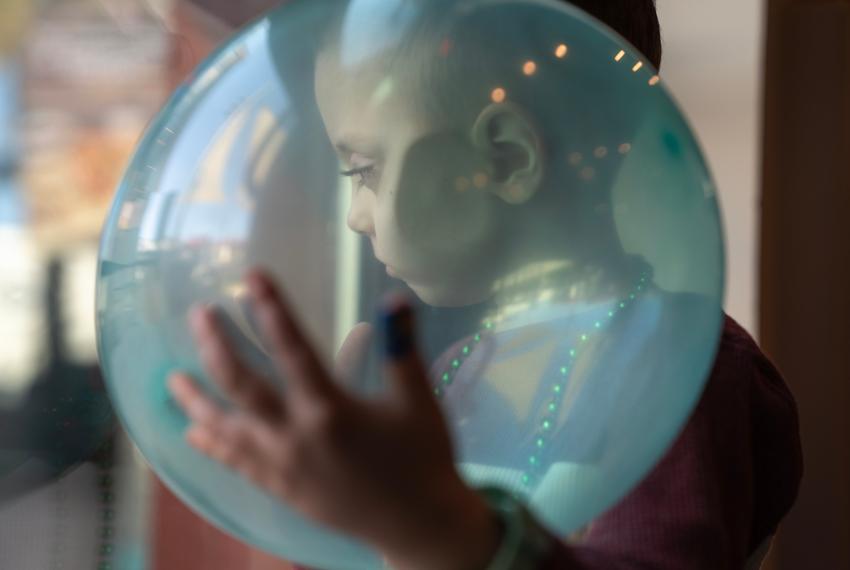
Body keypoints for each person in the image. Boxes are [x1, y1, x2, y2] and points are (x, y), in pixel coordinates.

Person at [168, 1, 803, 568]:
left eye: (364, 171)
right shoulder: (454, 374)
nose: (356, 216)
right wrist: (313, 504)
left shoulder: (675, 370)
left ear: (507, 157)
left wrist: (433, 527)